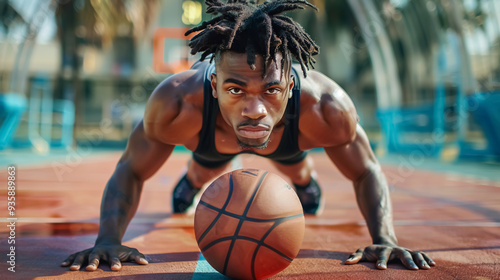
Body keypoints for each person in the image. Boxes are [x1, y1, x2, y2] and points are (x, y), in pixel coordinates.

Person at [62, 0, 435, 272]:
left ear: (290, 85)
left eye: (270, 91)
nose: (254, 109)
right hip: (213, 140)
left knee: (301, 174)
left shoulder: (326, 109)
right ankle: (193, 180)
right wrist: (107, 239)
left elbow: (365, 170)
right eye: (236, 90)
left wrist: (385, 238)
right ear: (213, 84)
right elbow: (132, 168)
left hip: (289, 140)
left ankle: (304, 181)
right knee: (201, 173)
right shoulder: (176, 103)